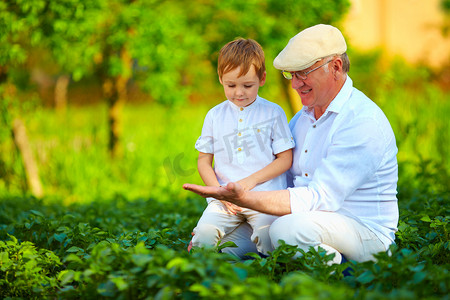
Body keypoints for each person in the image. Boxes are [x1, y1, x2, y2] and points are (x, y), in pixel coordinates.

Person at [184, 24, 399, 264]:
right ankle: (287, 265)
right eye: (291, 75)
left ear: (336, 67)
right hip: (307, 223)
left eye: (303, 73)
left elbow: (320, 197)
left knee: (284, 230)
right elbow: (283, 175)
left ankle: (341, 276)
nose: (295, 84)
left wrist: (243, 197)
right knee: (223, 248)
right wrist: (232, 208)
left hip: (362, 231)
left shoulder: (361, 120)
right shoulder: (302, 118)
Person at [190, 38, 295, 256]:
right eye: (231, 85)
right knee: (204, 235)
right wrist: (218, 194)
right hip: (225, 199)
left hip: (264, 196)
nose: (239, 93)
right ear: (220, 79)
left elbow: (285, 159)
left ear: (262, 78)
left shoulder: (273, 113)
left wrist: (247, 185)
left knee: (269, 238)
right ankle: (205, 281)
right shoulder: (215, 115)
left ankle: (270, 281)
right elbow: (203, 160)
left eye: (248, 85)